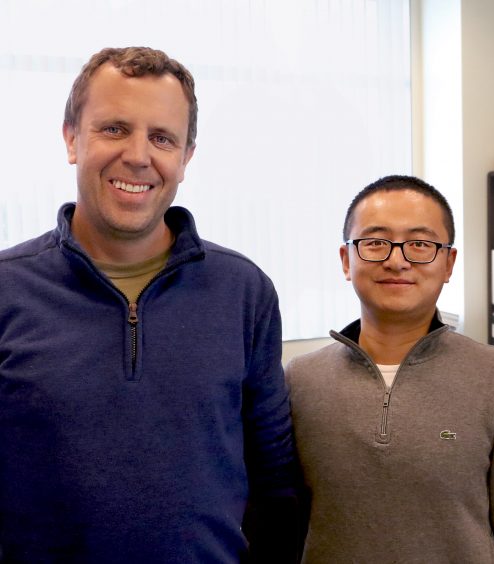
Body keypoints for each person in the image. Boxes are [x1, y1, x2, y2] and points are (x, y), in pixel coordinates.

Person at [0, 47, 299, 563]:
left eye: (162, 138)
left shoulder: (244, 292)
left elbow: (276, 481)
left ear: (185, 158)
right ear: (72, 138)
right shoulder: (8, 288)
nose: (139, 155)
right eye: (114, 129)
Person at [286, 175, 494, 563]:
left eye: (420, 244)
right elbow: (279, 522)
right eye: (376, 242)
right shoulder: (300, 380)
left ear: (448, 262)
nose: (397, 260)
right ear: (347, 261)